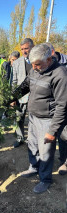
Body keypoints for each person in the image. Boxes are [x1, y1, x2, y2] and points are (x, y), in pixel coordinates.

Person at [13, 43, 67, 193]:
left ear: (49, 59)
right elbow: (25, 85)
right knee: (32, 144)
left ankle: (45, 179)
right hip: (33, 116)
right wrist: (12, 98)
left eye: (38, 64)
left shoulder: (60, 75)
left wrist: (52, 130)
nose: (34, 67)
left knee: (45, 152)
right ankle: (33, 167)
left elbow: (62, 106)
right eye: (33, 64)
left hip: (47, 120)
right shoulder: (35, 69)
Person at [45, 42, 67, 175]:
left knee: (65, 134)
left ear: (51, 53)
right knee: (60, 134)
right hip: (55, 105)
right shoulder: (47, 65)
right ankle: (62, 160)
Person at [12, 38, 34, 148]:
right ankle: (20, 138)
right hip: (21, 97)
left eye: (26, 48)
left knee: (32, 122)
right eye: (22, 49)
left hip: (35, 97)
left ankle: (32, 141)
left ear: (32, 48)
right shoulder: (16, 63)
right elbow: (14, 82)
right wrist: (13, 98)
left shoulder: (38, 61)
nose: (24, 51)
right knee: (19, 118)